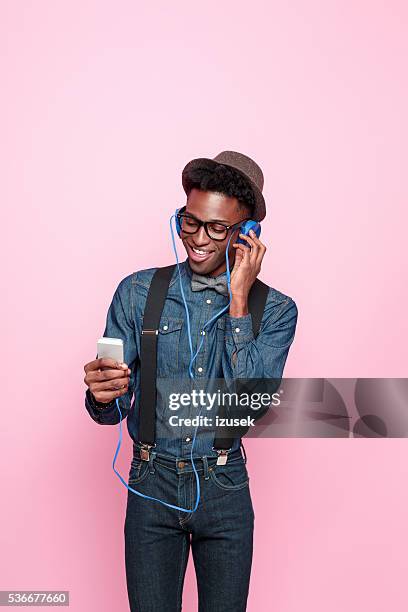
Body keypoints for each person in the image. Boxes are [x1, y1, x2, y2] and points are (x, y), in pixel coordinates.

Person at [83, 151, 298, 612]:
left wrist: (239, 301)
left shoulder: (277, 311)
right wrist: (103, 396)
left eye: (217, 229)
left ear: (247, 236)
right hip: (150, 483)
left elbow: (251, 407)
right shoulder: (138, 292)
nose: (197, 239)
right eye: (190, 222)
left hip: (224, 488)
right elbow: (114, 409)